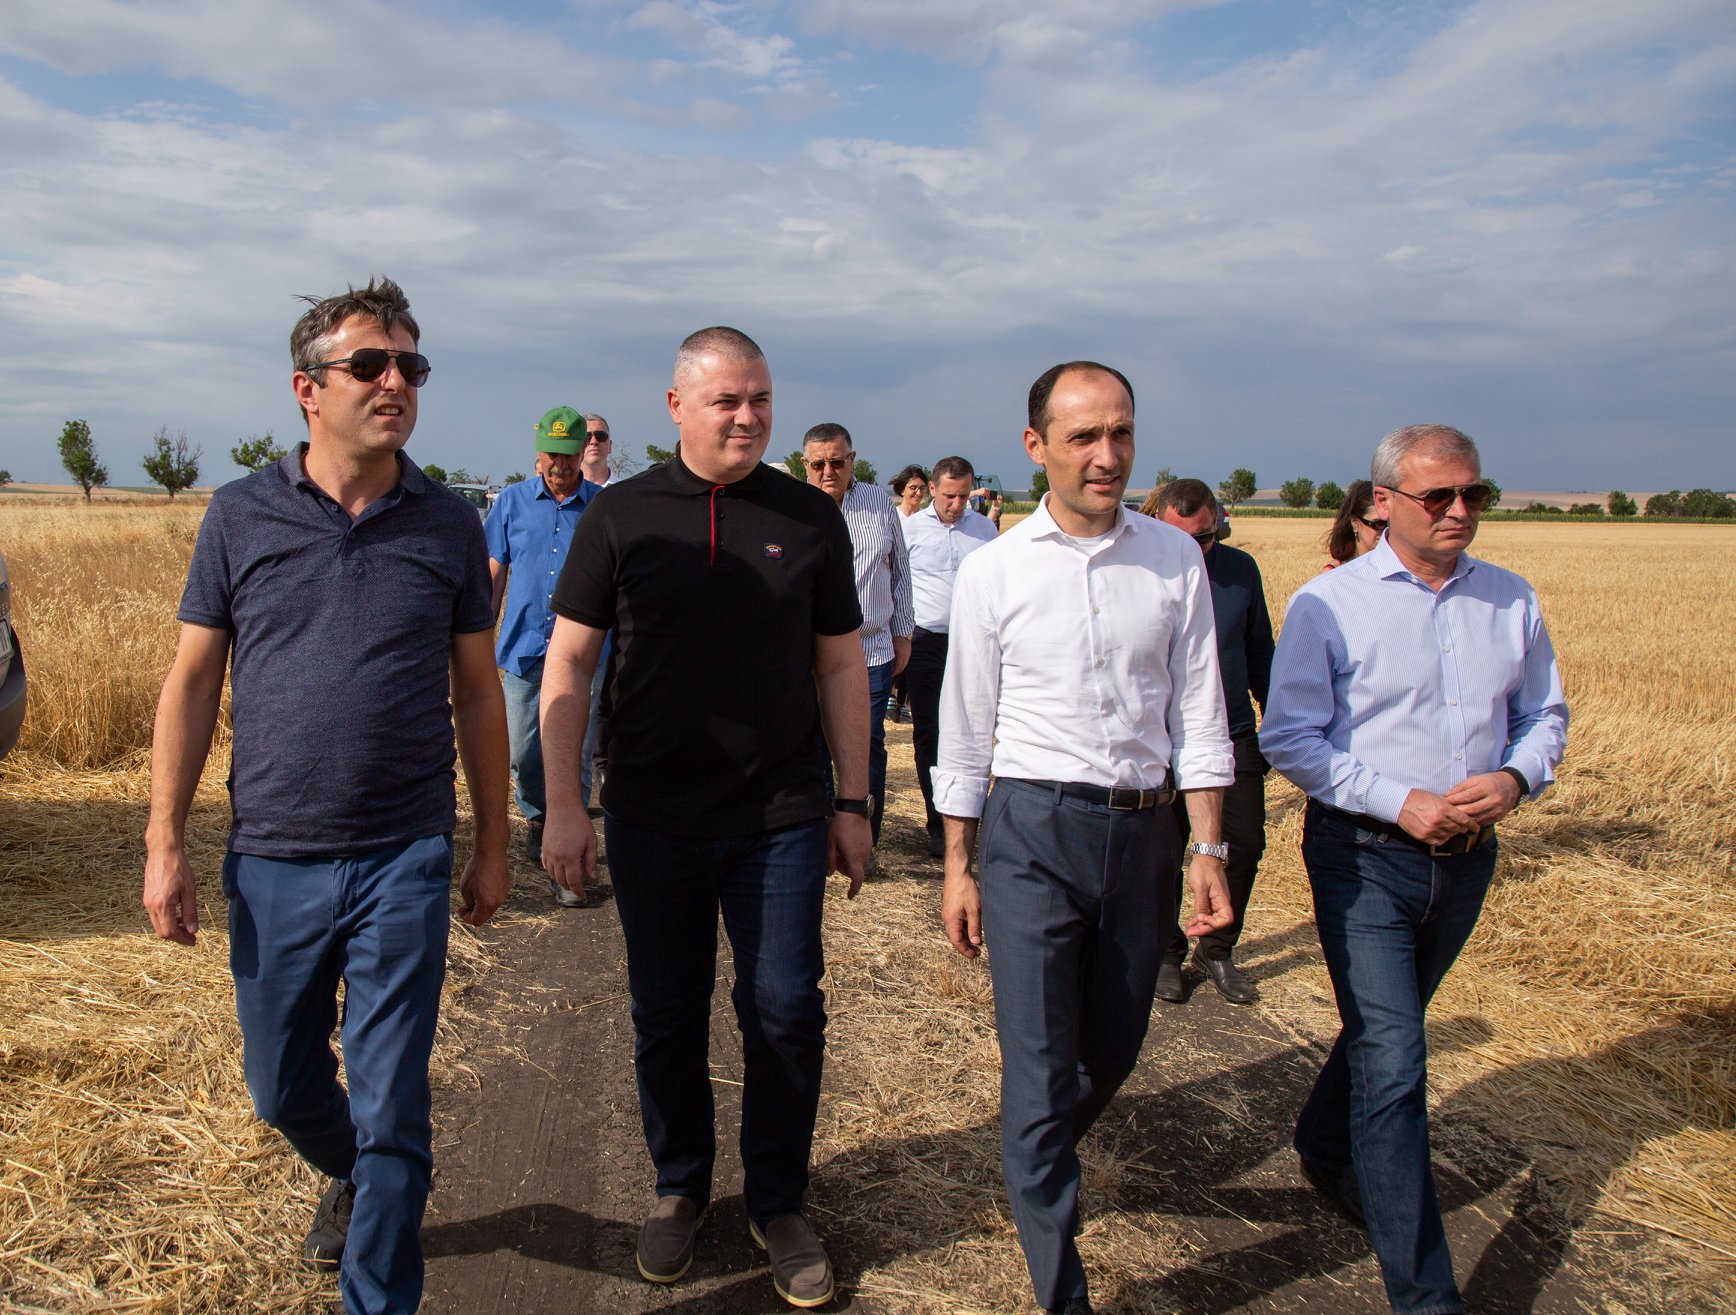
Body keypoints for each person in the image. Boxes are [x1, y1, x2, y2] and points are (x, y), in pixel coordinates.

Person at [142, 276, 510, 1315]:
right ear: (307, 387)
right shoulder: (240, 514)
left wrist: (491, 842)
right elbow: (193, 681)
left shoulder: (447, 522)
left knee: (394, 1107)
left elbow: (478, 692)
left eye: (410, 366)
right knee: (281, 1089)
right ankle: (354, 1172)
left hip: (404, 853)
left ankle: (378, 1289)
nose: (396, 383)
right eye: (370, 365)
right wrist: (163, 842)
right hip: (273, 855)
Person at [537, 327, 871, 1310]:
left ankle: (778, 1200)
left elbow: (841, 663)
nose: (748, 416)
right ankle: (679, 1183)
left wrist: (853, 799)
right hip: (652, 815)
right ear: (677, 406)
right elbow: (569, 661)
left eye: (759, 398)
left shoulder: (808, 516)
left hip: (779, 814)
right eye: (727, 400)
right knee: (667, 1010)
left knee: (784, 1008)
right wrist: (565, 804)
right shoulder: (622, 514)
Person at [936, 362, 1235, 1315]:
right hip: (1032, 831)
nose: (1107, 456)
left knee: (1113, 1048)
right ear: (1036, 448)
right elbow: (964, 730)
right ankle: (1061, 1285)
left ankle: (1035, 1155)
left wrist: (1208, 850)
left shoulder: (1175, 559)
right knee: (1037, 1063)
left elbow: (1200, 715)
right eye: (1084, 437)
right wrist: (958, 865)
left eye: (1121, 433)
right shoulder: (994, 571)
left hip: (1144, 837)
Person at [1260, 424, 1568, 1315]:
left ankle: (1325, 1142)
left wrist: (1514, 778)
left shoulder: (1509, 598)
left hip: (1468, 861)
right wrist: (1400, 801)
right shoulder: (1330, 604)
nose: (1460, 510)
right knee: (1396, 1060)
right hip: (1362, 858)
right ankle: (1426, 1296)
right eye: (1440, 496)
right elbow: (1289, 738)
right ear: (1385, 501)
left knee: (1383, 1032)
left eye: (1475, 493)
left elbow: (1544, 715)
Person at [1143, 478, 1275, 1005]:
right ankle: (1165, 950)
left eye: (1204, 537)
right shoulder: (1142, 569)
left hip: (1232, 732)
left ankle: (1216, 948)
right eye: (1182, 537)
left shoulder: (1240, 571)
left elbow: (1259, 650)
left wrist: (1275, 724)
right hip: (1157, 737)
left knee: (1243, 845)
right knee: (1162, 852)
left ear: (1219, 524)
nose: (1195, 548)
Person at [485, 406, 602, 905]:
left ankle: (569, 861)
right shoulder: (511, 503)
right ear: (539, 453)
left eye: (569, 455)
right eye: (552, 454)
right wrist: (479, 638)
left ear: (582, 453)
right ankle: (539, 818)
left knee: (575, 752)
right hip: (524, 650)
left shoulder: (601, 508)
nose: (561, 464)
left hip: (584, 657)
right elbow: (494, 573)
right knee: (523, 751)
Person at [803, 423, 914, 853]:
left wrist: (903, 632)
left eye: (837, 462)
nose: (828, 471)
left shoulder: (878, 504)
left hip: (871, 649)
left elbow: (900, 571)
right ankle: (817, 836)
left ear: (852, 461)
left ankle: (863, 838)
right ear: (805, 465)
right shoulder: (793, 506)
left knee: (865, 743)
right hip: (809, 652)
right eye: (818, 464)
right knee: (811, 746)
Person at [902, 454, 998, 856]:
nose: (957, 505)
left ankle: (973, 819)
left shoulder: (985, 530)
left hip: (974, 643)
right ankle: (938, 821)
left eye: (963, 496)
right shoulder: (909, 530)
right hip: (926, 642)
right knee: (930, 732)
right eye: (949, 497)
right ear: (933, 490)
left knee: (975, 731)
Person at [1325, 478, 1385, 565]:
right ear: (1355, 523)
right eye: (1378, 524)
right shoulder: (1337, 572)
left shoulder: (1401, 569)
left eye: (1390, 524)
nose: (1386, 530)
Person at [579, 412, 615, 487]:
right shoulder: (562, 491)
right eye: (586, 437)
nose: (594, 442)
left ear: (610, 446)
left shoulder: (628, 490)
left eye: (601, 436)